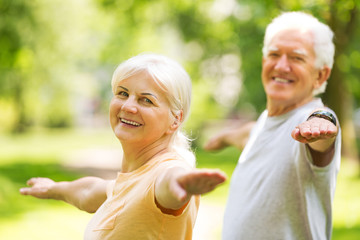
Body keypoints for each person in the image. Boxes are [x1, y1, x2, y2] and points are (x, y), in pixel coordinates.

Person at [20, 53, 226, 240]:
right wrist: (55, 188)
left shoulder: (165, 171)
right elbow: (89, 191)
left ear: (175, 120)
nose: (128, 106)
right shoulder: (134, 179)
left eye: (146, 100)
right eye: (123, 93)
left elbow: (168, 182)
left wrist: (181, 183)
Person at [204, 12, 341, 239]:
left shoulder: (308, 122)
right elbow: (246, 134)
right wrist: (222, 139)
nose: (281, 65)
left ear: (320, 75)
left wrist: (323, 121)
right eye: (274, 54)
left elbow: (325, 125)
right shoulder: (263, 124)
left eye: (297, 58)